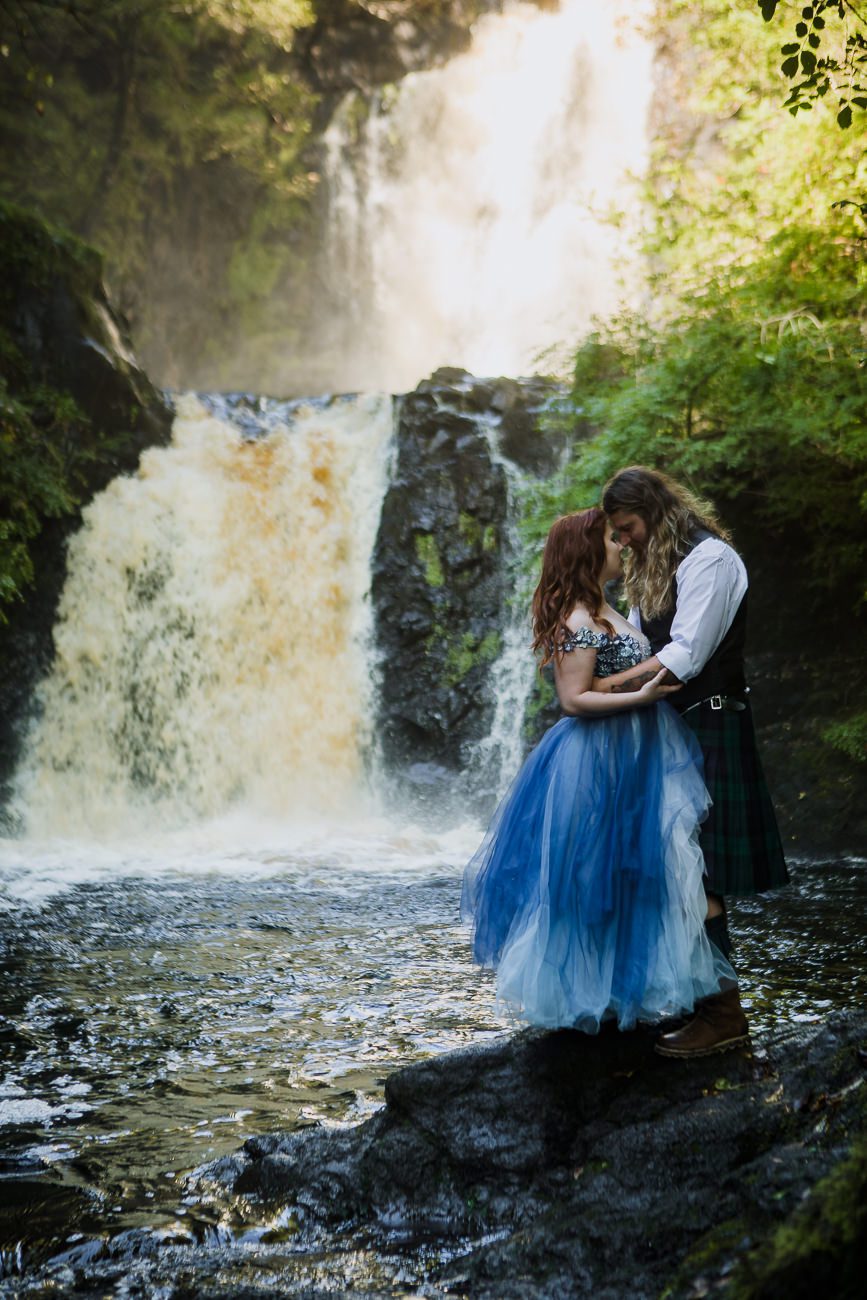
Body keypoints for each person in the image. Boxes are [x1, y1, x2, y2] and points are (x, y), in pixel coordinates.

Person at [461, 508, 734, 1035]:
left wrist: (645, 690)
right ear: (587, 552)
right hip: (597, 759)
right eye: (613, 540)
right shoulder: (579, 620)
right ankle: (592, 1000)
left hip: (638, 753)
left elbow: (613, 678)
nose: (621, 547)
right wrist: (645, 693)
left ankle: (633, 995)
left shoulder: (611, 611)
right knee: (593, 874)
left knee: (640, 869)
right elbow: (573, 699)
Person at [598, 466, 788, 1057]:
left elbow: (683, 655)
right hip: (672, 726)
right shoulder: (653, 566)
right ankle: (693, 999)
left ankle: (723, 1013)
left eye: (626, 528)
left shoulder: (711, 560)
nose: (621, 540)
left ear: (652, 511)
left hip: (710, 720)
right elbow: (639, 639)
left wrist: (605, 690)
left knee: (698, 868)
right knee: (671, 867)